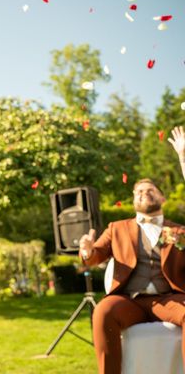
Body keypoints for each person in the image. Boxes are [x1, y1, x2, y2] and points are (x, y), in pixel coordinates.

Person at [79, 126, 185, 374]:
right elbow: (95, 256)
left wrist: (183, 158)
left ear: (162, 198)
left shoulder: (179, 230)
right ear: (133, 200)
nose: (144, 193)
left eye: (150, 190)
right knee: (103, 311)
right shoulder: (117, 228)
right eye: (139, 191)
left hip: (169, 299)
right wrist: (86, 251)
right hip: (130, 301)